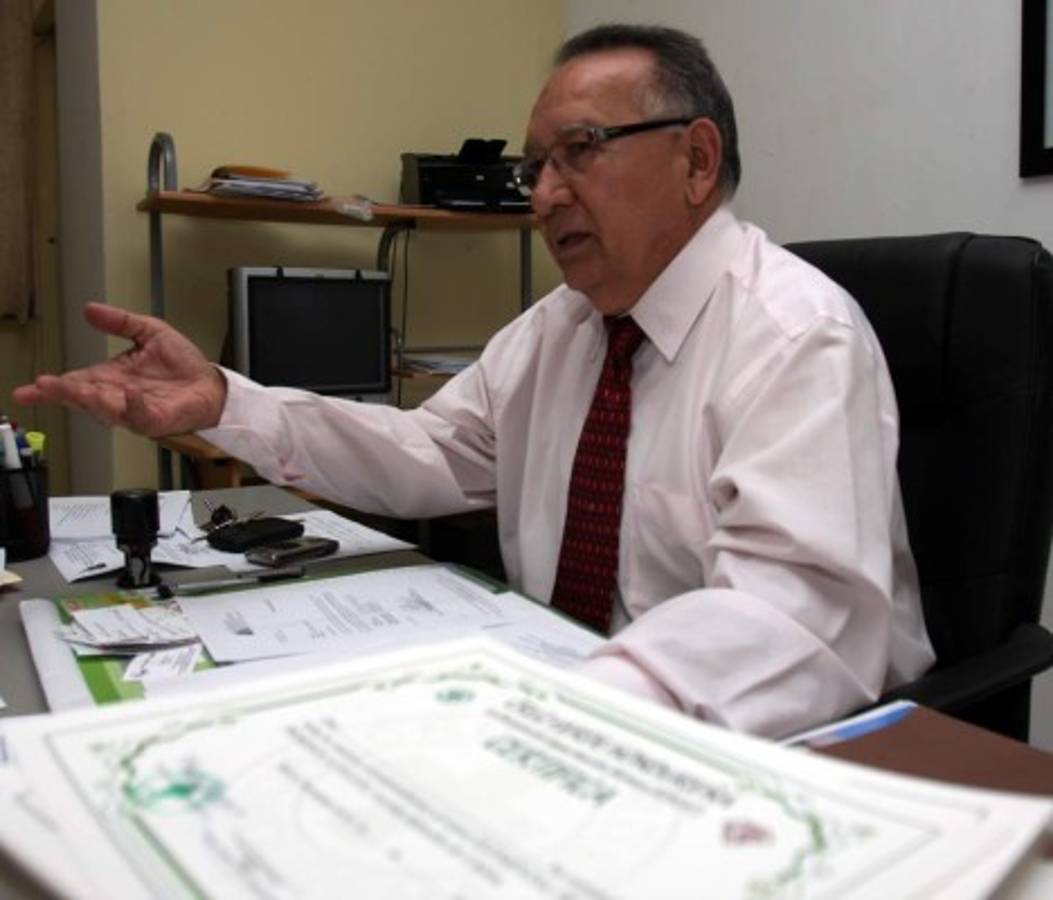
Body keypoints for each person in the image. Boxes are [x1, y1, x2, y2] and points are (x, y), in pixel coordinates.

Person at [14, 23, 934, 738]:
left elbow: (792, 619)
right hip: (570, 698)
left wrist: (569, 707)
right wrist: (226, 401)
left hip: (759, 743)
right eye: (536, 167)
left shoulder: (794, 336)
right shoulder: (557, 329)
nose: (543, 194)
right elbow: (429, 452)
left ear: (695, 159)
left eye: (580, 150)